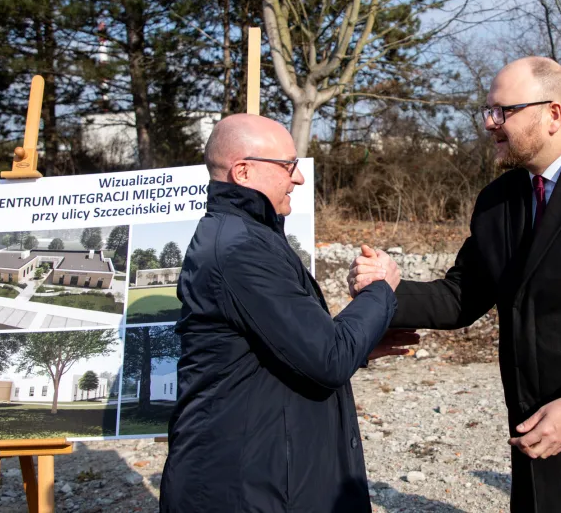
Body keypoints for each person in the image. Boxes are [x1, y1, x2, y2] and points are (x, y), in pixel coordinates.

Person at [349, 57, 561, 513]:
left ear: (552, 114)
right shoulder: (499, 200)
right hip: (537, 444)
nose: (489, 123)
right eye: (488, 111)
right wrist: (386, 290)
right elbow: (461, 295)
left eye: (502, 111)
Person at [160, 113, 419, 512]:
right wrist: (381, 287)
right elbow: (328, 358)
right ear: (243, 171)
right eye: (287, 166)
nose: (298, 178)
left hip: (257, 475)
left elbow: (273, 343)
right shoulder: (241, 249)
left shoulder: (247, 235)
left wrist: (360, 345)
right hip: (245, 488)